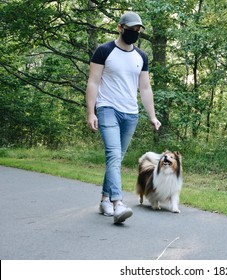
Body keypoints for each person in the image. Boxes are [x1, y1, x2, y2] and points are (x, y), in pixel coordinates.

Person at [86, 11, 161, 224]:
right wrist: (91, 112)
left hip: (131, 114)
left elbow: (145, 88)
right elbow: (93, 82)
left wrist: (152, 116)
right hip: (107, 108)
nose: (135, 33)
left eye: (138, 30)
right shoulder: (104, 51)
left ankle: (104, 199)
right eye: (131, 29)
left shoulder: (141, 57)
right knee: (113, 155)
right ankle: (118, 203)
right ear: (120, 27)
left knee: (116, 159)